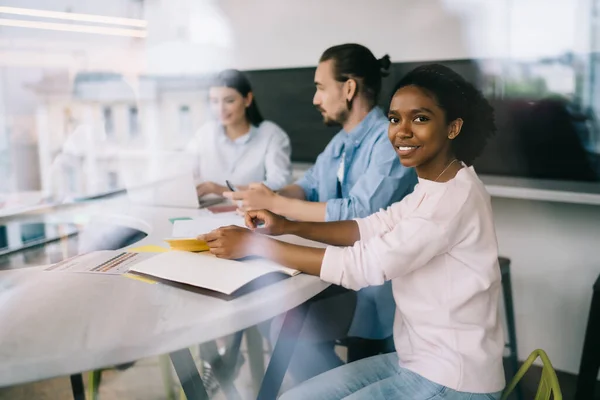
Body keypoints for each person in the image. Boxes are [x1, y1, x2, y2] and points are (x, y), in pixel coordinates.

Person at [199, 63, 504, 399]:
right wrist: (285, 225)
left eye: (420, 118)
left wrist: (256, 246)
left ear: (453, 127)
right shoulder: (435, 185)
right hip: (414, 360)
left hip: (450, 377)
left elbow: (363, 265)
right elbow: (371, 225)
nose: (401, 131)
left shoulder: (452, 199)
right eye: (394, 119)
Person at [226, 44, 418, 382]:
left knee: (287, 327)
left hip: (381, 281)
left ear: (348, 88)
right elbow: (311, 184)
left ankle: (349, 385)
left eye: (319, 87)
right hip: (338, 269)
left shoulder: (390, 138)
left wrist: (280, 205)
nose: (315, 99)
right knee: (280, 323)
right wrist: (267, 196)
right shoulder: (342, 142)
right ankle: (342, 386)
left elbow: (362, 212)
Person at [186, 69, 292, 197]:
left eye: (229, 101)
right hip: (206, 211)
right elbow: (185, 172)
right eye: (214, 101)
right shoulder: (205, 133)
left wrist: (218, 189)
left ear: (247, 99)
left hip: (252, 211)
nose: (220, 109)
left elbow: (278, 184)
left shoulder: (271, 134)